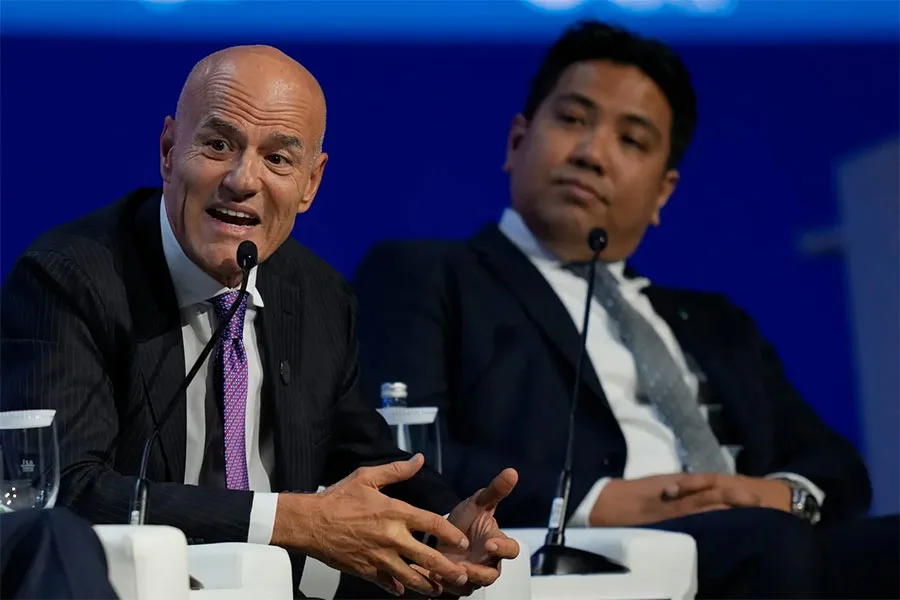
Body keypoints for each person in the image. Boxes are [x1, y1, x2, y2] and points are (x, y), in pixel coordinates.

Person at [353, 21, 899, 599]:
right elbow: (402, 453)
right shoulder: (429, 274)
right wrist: (598, 500)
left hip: (761, 540)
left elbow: (838, 468)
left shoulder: (717, 323)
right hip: (579, 552)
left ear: (663, 193)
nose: (592, 154)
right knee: (771, 545)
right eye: (572, 119)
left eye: (632, 141)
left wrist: (776, 494)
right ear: (517, 142)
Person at [0, 45, 520, 599]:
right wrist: (288, 521)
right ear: (169, 149)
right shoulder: (70, 279)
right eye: (218, 144)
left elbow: (362, 455)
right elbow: (58, 495)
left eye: (278, 159)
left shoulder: (315, 294)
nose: (242, 180)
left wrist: (446, 520)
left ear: (311, 184)